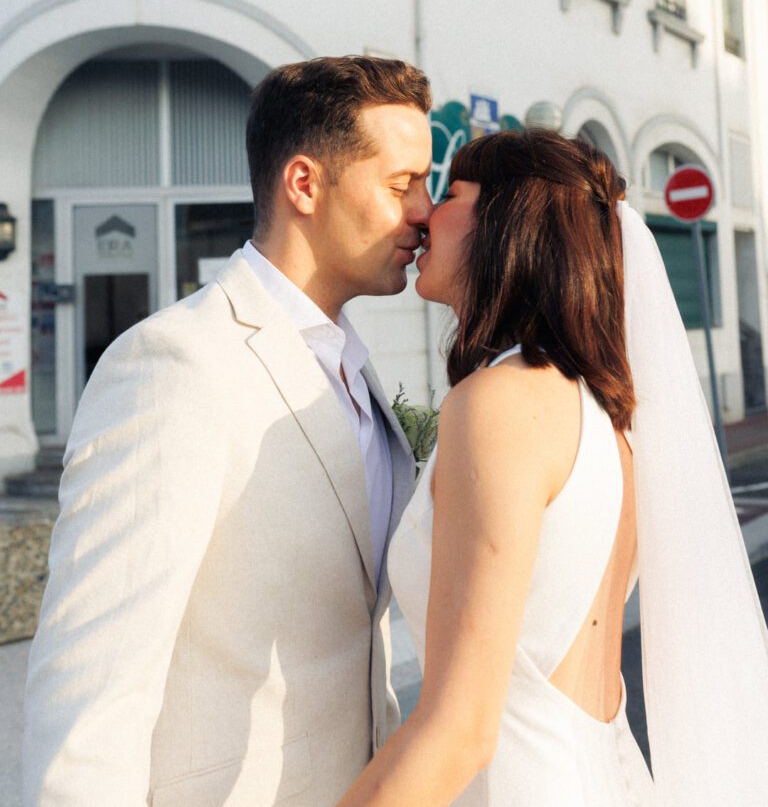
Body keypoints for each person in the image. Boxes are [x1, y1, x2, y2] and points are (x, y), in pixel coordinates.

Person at [23, 55, 434, 807]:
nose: (426, 212)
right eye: (404, 184)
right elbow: (90, 697)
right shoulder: (173, 364)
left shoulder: (354, 369)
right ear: (305, 184)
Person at [337, 128, 768, 807]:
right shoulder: (598, 414)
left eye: (450, 193)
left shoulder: (501, 403)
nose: (422, 215)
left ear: (510, 225)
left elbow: (460, 729)